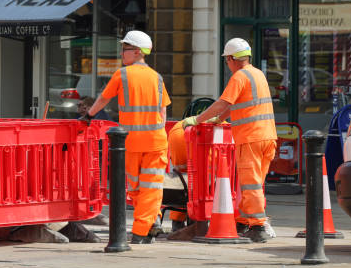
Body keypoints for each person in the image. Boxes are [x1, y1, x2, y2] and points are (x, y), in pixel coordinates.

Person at [181, 38, 277, 243]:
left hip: (250, 137)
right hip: (268, 137)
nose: (227, 64)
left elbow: (222, 103)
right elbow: (234, 106)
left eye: (227, 60)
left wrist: (197, 119)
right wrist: (220, 119)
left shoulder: (239, 76)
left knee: (250, 184)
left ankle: (258, 226)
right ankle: (243, 221)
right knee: (253, 184)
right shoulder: (258, 74)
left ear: (233, 59)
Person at [87, 30, 171, 244]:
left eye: (124, 49)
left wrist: (88, 116)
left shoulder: (122, 75)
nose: (122, 54)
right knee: (150, 188)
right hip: (155, 141)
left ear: (136, 52)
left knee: (136, 189)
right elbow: (163, 112)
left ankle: (141, 231)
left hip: (130, 143)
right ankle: (152, 221)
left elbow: (103, 99)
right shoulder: (157, 77)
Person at [167, 121, 189, 232]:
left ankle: (177, 221)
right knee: (202, 177)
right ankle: (196, 220)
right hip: (191, 132)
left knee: (181, 178)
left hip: (176, 132)